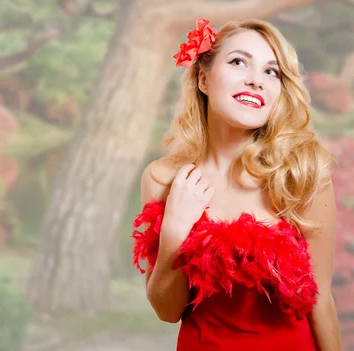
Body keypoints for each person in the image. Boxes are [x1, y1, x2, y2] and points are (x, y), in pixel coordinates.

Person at [132, 18, 342, 350]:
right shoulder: (162, 179)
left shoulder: (302, 176)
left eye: (271, 72)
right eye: (238, 62)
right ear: (203, 78)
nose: (256, 80)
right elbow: (167, 310)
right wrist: (174, 231)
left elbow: (320, 301)